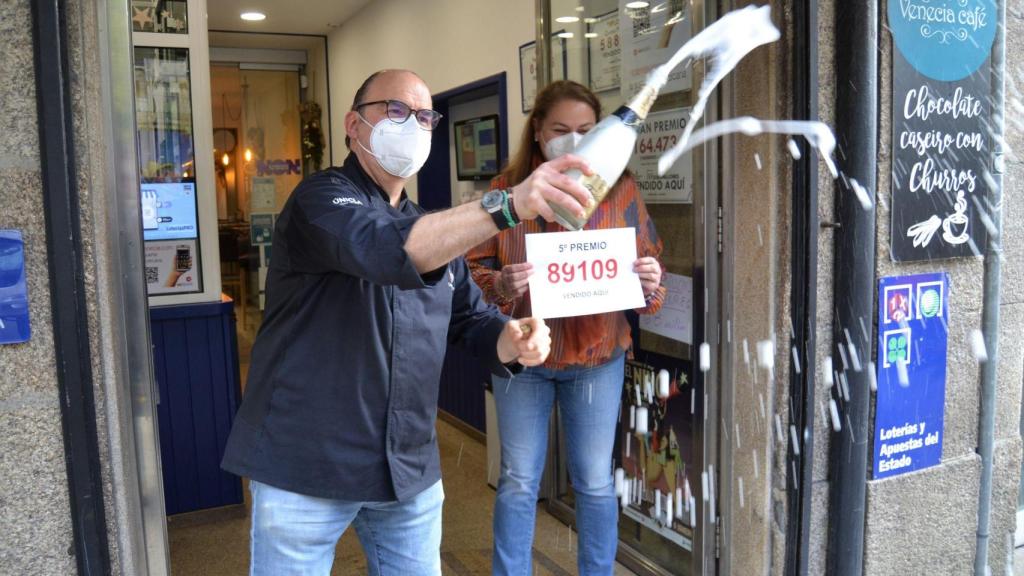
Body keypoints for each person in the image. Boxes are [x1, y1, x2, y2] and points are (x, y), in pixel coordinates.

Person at [221, 69, 596, 576]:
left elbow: (468, 318)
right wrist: (507, 204)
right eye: (395, 110)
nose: (413, 125)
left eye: (424, 117)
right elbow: (386, 247)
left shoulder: (434, 227)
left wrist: (510, 339)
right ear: (354, 125)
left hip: (407, 470)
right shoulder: (320, 200)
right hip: (306, 464)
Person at [466, 80, 666, 575]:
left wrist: (649, 280)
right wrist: (502, 284)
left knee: (595, 482)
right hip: (524, 360)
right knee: (517, 480)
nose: (573, 140)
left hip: (597, 359)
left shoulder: (621, 189)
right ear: (537, 131)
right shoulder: (505, 191)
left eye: (585, 130)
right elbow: (470, 275)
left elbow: (650, 281)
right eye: (560, 129)